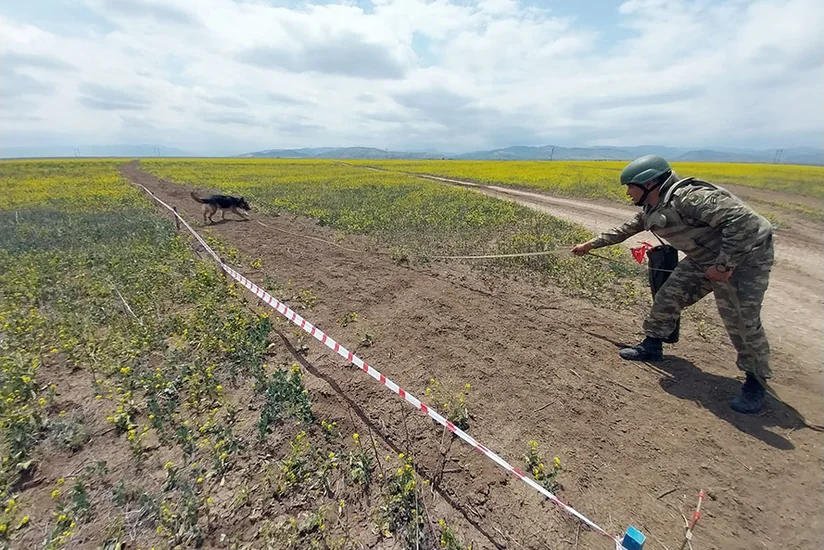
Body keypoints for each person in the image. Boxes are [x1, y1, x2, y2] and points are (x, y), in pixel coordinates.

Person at [571, 155, 775, 414]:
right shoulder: (653, 208)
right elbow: (624, 229)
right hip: (705, 260)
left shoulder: (690, 198)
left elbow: (745, 222)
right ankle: (652, 345)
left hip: (745, 260)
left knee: (741, 320)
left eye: (630, 185)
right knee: (668, 295)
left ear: (649, 183)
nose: (627, 192)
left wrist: (724, 265)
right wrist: (589, 245)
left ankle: (756, 381)